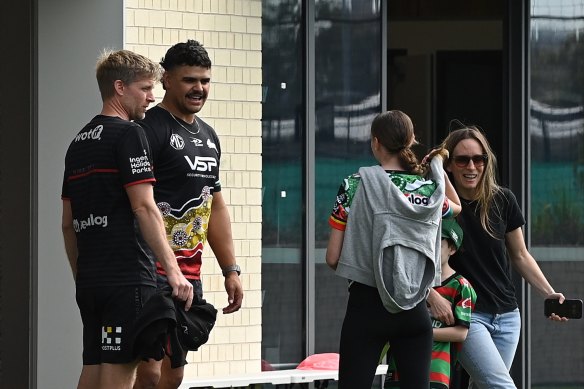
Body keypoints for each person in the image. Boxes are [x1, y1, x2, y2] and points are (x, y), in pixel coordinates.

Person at [61, 50, 194, 389]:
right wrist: (174, 271)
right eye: (146, 88)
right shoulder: (129, 135)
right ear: (119, 87)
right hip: (128, 281)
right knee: (119, 377)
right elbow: (145, 208)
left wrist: (82, 274)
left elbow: (67, 222)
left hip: (91, 282)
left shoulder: (77, 142)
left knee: (93, 371)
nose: (153, 97)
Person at [133, 40, 244, 389]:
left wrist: (231, 270)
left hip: (189, 275)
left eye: (205, 81)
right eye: (189, 80)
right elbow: (136, 202)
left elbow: (216, 206)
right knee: (148, 371)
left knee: (174, 375)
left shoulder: (209, 137)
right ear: (166, 79)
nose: (199, 88)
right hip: (149, 270)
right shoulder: (148, 129)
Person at [325, 110, 460, 389]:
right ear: (411, 142)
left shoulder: (354, 185)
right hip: (414, 309)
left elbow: (333, 258)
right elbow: (456, 207)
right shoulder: (428, 190)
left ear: (376, 142)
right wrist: (436, 167)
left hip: (366, 304)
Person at [427, 125, 567, 389]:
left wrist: (548, 292)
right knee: (501, 386)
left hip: (508, 316)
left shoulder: (503, 200)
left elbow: (521, 255)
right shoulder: (439, 206)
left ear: (486, 162)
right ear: (449, 165)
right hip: (468, 315)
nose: (471, 166)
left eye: (478, 159)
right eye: (462, 159)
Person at [384, 217, 477, 389]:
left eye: (438, 244)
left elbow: (460, 334)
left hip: (435, 372)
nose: (430, 249)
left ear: (452, 249)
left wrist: (420, 333)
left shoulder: (460, 286)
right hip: (397, 367)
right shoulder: (406, 279)